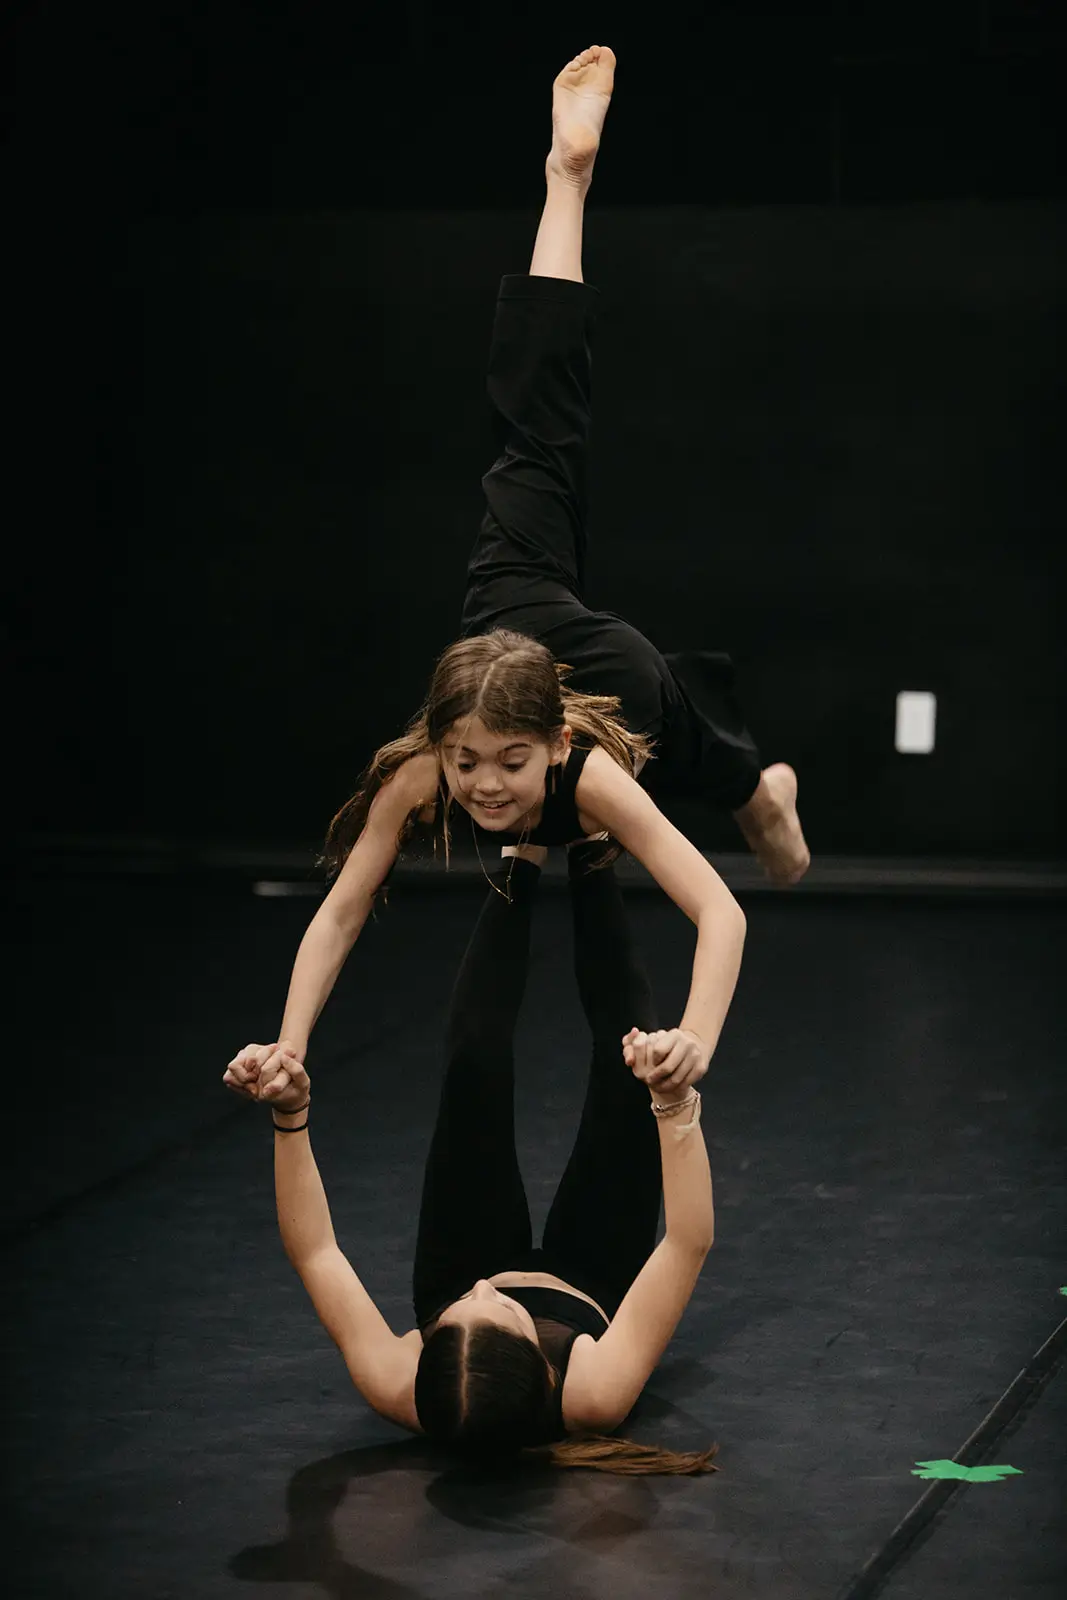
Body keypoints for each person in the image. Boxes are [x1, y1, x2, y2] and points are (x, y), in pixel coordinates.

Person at [227, 43, 804, 1101]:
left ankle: (766, 794)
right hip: (512, 612)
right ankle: (564, 177)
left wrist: (696, 1038)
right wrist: (289, 1040)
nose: (481, 786)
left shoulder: (589, 768)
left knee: (747, 814)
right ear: (440, 741)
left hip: (626, 685)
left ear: (549, 745)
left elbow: (720, 912)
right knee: (536, 420)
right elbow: (342, 908)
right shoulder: (430, 760)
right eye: (466, 764)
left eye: (503, 766)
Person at [224, 844, 720, 1474]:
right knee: (626, 1066)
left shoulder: (399, 1383)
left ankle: (525, 852)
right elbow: (687, 1241)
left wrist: (289, 1116)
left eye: (464, 1309)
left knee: (474, 1064)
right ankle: (593, 849)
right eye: (502, 1307)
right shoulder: (594, 1391)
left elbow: (316, 1252)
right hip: (594, 1280)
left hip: (456, 1253)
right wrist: (674, 1101)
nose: (485, 1286)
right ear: (542, 1364)